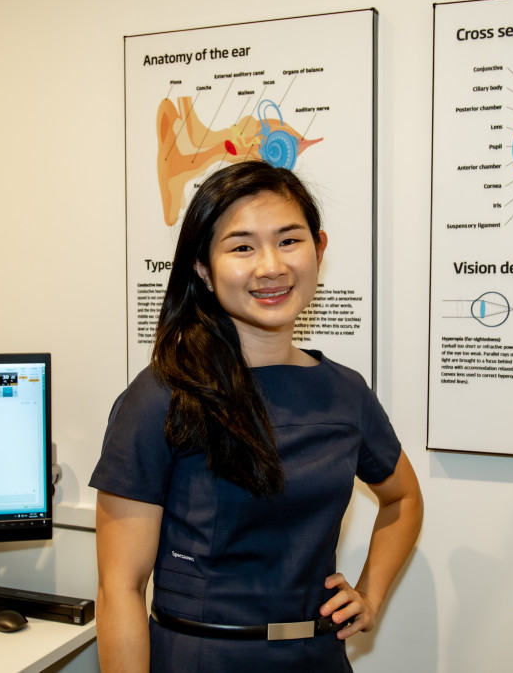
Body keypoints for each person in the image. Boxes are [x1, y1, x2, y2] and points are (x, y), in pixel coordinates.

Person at [90, 161, 423, 672]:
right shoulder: (161, 396)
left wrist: (370, 595)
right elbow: (120, 589)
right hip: (200, 659)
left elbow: (403, 498)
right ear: (203, 269)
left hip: (318, 659)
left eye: (289, 241)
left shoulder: (345, 393)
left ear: (319, 250)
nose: (271, 266)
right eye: (242, 247)